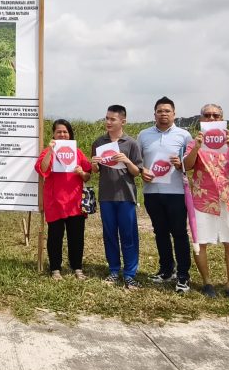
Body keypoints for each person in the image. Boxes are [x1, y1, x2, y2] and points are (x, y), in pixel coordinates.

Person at [183, 103, 229, 300]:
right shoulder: (194, 143)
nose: (212, 118)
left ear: (222, 118)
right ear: (202, 118)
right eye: (208, 115)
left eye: (216, 115)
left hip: (228, 199)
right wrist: (196, 146)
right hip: (203, 199)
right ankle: (207, 282)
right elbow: (186, 165)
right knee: (200, 242)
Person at [138, 97, 194, 293]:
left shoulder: (184, 135)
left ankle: (183, 276)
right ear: (154, 114)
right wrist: (140, 171)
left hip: (176, 192)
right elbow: (138, 161)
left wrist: (182, 165)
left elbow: (192, 163)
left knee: (179, 233)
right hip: (152, 192)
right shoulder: (144, 135)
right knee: (160, 232)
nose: (164, 114)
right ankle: (166, 270)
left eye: (167, 111)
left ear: (174, 114)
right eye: (160, 111)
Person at [89, 105, 144, 289]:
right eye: (106, 118)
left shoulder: (131, 143)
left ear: (123, 121)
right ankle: (113, 270)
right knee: (109, 235)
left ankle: (129, 274)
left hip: (126, 196)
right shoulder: (99, 143)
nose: (108, 122)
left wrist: (126, 160)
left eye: (112, 119)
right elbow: (96, 171)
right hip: (106, 196)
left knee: (128, 236)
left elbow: (136, 172)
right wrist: (94, 164)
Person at [34, 119, 93, 280]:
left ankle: (77, 267)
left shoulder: (78, 152)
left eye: (65, 131)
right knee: (55, 237)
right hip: (55, 202)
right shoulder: (47, 152)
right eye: (59, 131)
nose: (62, 134)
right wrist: (51, 151)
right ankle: (55, 269)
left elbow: (88, 175)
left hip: (75, 202)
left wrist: (82, 173)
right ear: (53, 133)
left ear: (70, 134)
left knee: (76, 237)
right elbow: (42, 169)